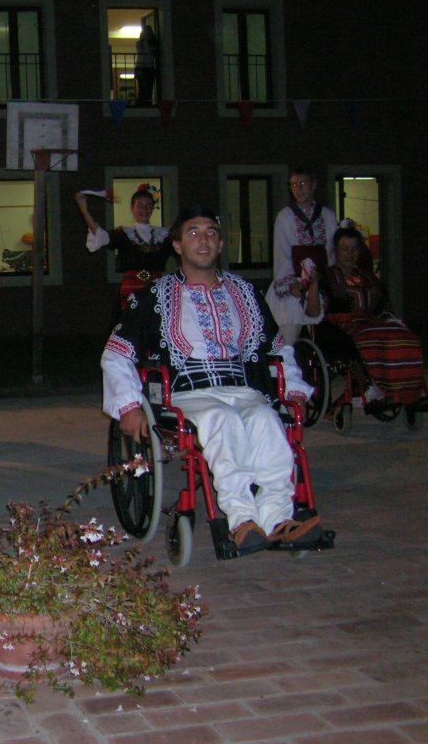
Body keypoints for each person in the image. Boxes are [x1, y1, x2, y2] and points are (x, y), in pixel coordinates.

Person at [101, 204, 322, 555]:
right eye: (193, 233)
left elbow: (278, 348)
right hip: (186, 395)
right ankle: (241, 521)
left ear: (220, 244)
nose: (203, 240)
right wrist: (128, 406)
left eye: (211, 233)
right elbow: (117, 353)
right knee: (223, 420)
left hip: (244, 388)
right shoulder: (154, 297)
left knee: (267, 421)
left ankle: (278, 518)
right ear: (177, 246)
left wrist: (293, 389)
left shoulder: (246, 292)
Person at [320, 223, 426, 407]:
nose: (350, 254)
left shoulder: (368, 276)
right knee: (371, 337)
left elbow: (384, 304)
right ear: (335, 250)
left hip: (372, 322)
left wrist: (390, 319)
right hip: (340, 326)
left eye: (354, 249)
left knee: (404, 336)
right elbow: (317, 310)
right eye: (345, 249)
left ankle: (408, 392)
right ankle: (371, 388)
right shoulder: (326, 276)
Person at [266, 165, 337, 344]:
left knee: (324, 336)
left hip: (319, 283)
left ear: (314, 185)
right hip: (293, 285)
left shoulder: (327, 216)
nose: (299, 189)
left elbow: (331, 252)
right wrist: (291, 285)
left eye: (303, 183)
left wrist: (324, 280)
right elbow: (282, 254)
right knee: (288, 337)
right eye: (294, 184)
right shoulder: (285, 217)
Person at [75, 184, 174, 309]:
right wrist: (84, 209)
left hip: (157, 288)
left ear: (153, 208)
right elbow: (99, 235)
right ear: (132, 208)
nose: (145, 209)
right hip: (130, 290)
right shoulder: (124, 234)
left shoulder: (164, 235)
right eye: (140, 205)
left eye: (149, 205)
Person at [134, 25, 158, 107]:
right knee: (142, 87)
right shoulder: (139, 43)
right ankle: (141, 103)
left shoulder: (154, 44)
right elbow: (142, 52)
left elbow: (150, 52)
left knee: (149, 87)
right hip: (141, 67)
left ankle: (148, 103)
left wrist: (147, 45)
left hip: (149, 68)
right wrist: (146, 45)